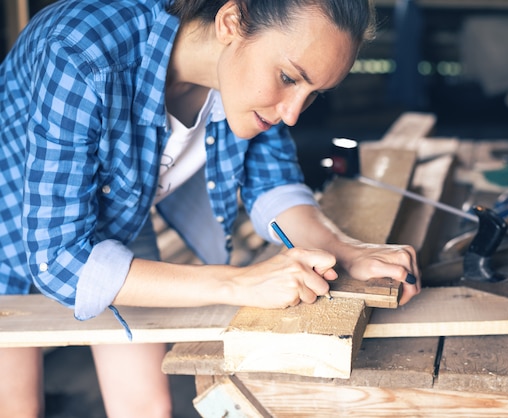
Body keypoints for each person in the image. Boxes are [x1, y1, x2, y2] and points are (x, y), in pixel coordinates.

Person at [0, 0, 421, 416]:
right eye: (289, 77)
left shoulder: (244, 81)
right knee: (15, 405)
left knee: (146, 406)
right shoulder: (81, 50)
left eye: (314, 94)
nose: (292, 114)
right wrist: (239, 283)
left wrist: (347, 251)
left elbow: (274, 185)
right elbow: (60, 260)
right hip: (7, 216)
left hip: (117, 214)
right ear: (230, 22)